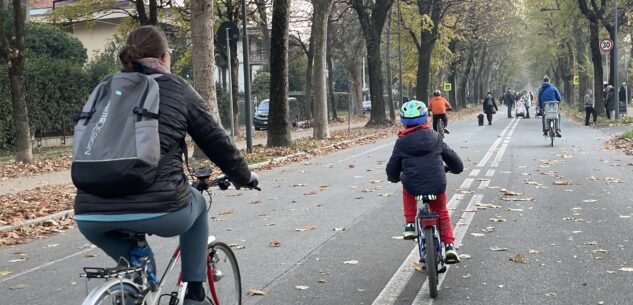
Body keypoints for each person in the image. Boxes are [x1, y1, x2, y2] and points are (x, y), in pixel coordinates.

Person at [73, 26, 258, 305]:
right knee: (197, 205)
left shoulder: (106, 89)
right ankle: (195, 294)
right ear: (164, 56)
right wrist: (245, 177)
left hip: (90, 214)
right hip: (164, 209)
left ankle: (137, 292)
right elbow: (215, 140)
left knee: (142, 276)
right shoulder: (175, 88)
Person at [386, 100, 464, 264]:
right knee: (441, 211)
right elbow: (454, 160)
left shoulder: (401, 142)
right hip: (437, 183)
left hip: (413, 185)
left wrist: (395, 177)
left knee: (407, 187)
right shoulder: (435, 137)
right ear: (425, 119)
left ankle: (409, 224)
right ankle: (449, 245)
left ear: (403, 121)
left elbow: (393, 167)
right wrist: (456, 169)